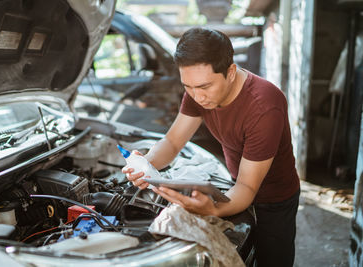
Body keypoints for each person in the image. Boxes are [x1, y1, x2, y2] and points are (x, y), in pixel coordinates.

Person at [122, 27, 300, 267]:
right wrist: (146, 163)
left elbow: (248, 186)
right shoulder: (198, 91)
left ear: (231, 72)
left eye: (205, 87)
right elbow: (173, 142)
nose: (197, 97)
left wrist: (214, 209)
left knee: (272, 260)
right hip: (234, 185)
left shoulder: (265, 106)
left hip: (274, 198)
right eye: (188, 87)